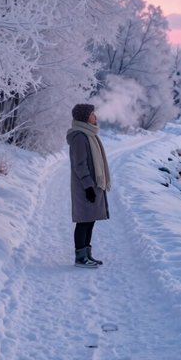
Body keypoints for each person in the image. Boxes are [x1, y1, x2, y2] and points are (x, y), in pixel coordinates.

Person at [66, 103, 111, 268]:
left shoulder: (90, 135)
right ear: (85, 117)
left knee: (90, 220)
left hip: (92, 185)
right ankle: (80, 257)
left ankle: (87, 254)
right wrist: (88, 186)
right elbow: (79, 164)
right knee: (83, 221)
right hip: (85, 186)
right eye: (92, 114)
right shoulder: (80, 137)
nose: (95, 117)